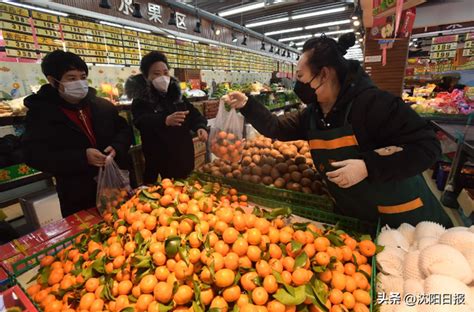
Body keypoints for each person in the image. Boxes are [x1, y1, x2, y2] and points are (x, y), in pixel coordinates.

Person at [223, 33, 453, 228]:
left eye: (301, 77)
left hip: (405, 220)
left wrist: (368, 166)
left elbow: (427, 146)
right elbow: (277, 128)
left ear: (324, 74)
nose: (298, 86)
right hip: (355, 218)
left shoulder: (374, 104)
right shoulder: (313, 114)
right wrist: (247, 104)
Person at [22, 50, 132, 217]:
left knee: (128, 224)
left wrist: (117, 146)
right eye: (71, 78)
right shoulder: (41, 114)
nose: (79, 83)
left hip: (116, 188)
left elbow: (124, 130)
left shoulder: (102, 106)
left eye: (82, 77)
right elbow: (34, 155)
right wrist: (82, 157)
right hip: (78, 194)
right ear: (53, 81)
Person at [127, 51, 208, 184]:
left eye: (165, 73)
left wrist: (200, 127)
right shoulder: (141, 100)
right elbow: (140, 121)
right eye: (156, 74)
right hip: (159, 165)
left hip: (184, 159)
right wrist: (164, 120)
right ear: (146, 76)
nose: (162, 77)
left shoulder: (177, 96)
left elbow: (193, 114)